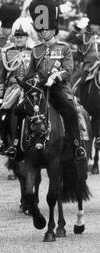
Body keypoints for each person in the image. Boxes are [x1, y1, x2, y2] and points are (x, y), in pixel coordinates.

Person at [25, 0, 86, 161]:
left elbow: (68, 69)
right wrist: (28, 80)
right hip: (39, 89)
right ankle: (17, 146)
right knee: (19, 110)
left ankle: (77, 145)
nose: (43, 32)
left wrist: (55, 77)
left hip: (58, 88)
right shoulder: (36, 50)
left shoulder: (64, 47)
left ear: (53, 29)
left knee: (70, 111)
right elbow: (31, 72)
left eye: (47, 29)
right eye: (41, 29)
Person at [0, 18, 33, 159]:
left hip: (30, 87)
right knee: (4, 112)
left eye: (21, 37)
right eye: (17, 37)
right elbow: (1, 77)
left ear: (26, 38)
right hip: (13, 89)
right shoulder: (7, 53)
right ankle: (5, 142)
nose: (19, 39)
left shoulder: (33, 52)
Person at [67, 0, 100, 148]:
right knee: (76, 83)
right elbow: (70, 39)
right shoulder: (85, 35)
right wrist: (77, 27)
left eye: (96, 24)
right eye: (93, 24)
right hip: (88, 67)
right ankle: (78, 105)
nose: (95, 27)